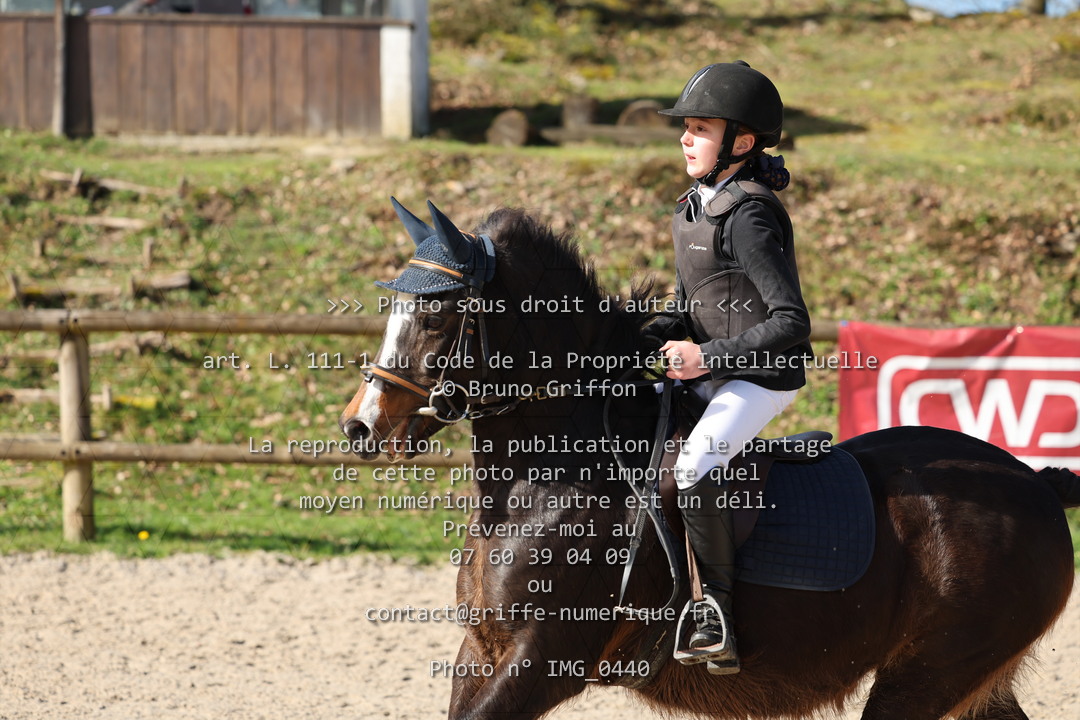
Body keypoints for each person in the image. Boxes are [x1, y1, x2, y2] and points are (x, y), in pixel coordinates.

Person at [647, 61, 813, 674]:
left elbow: (791, 322)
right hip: (711, 372)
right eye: (685, 127)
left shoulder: (749, 214)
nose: (685, 139)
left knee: (693, 465)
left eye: (700, 129)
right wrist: (638, 338)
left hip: (761, 378)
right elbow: (687, 306)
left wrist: (705, 358)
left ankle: (714, 610)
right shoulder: (691, 207)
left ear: (741, 144)